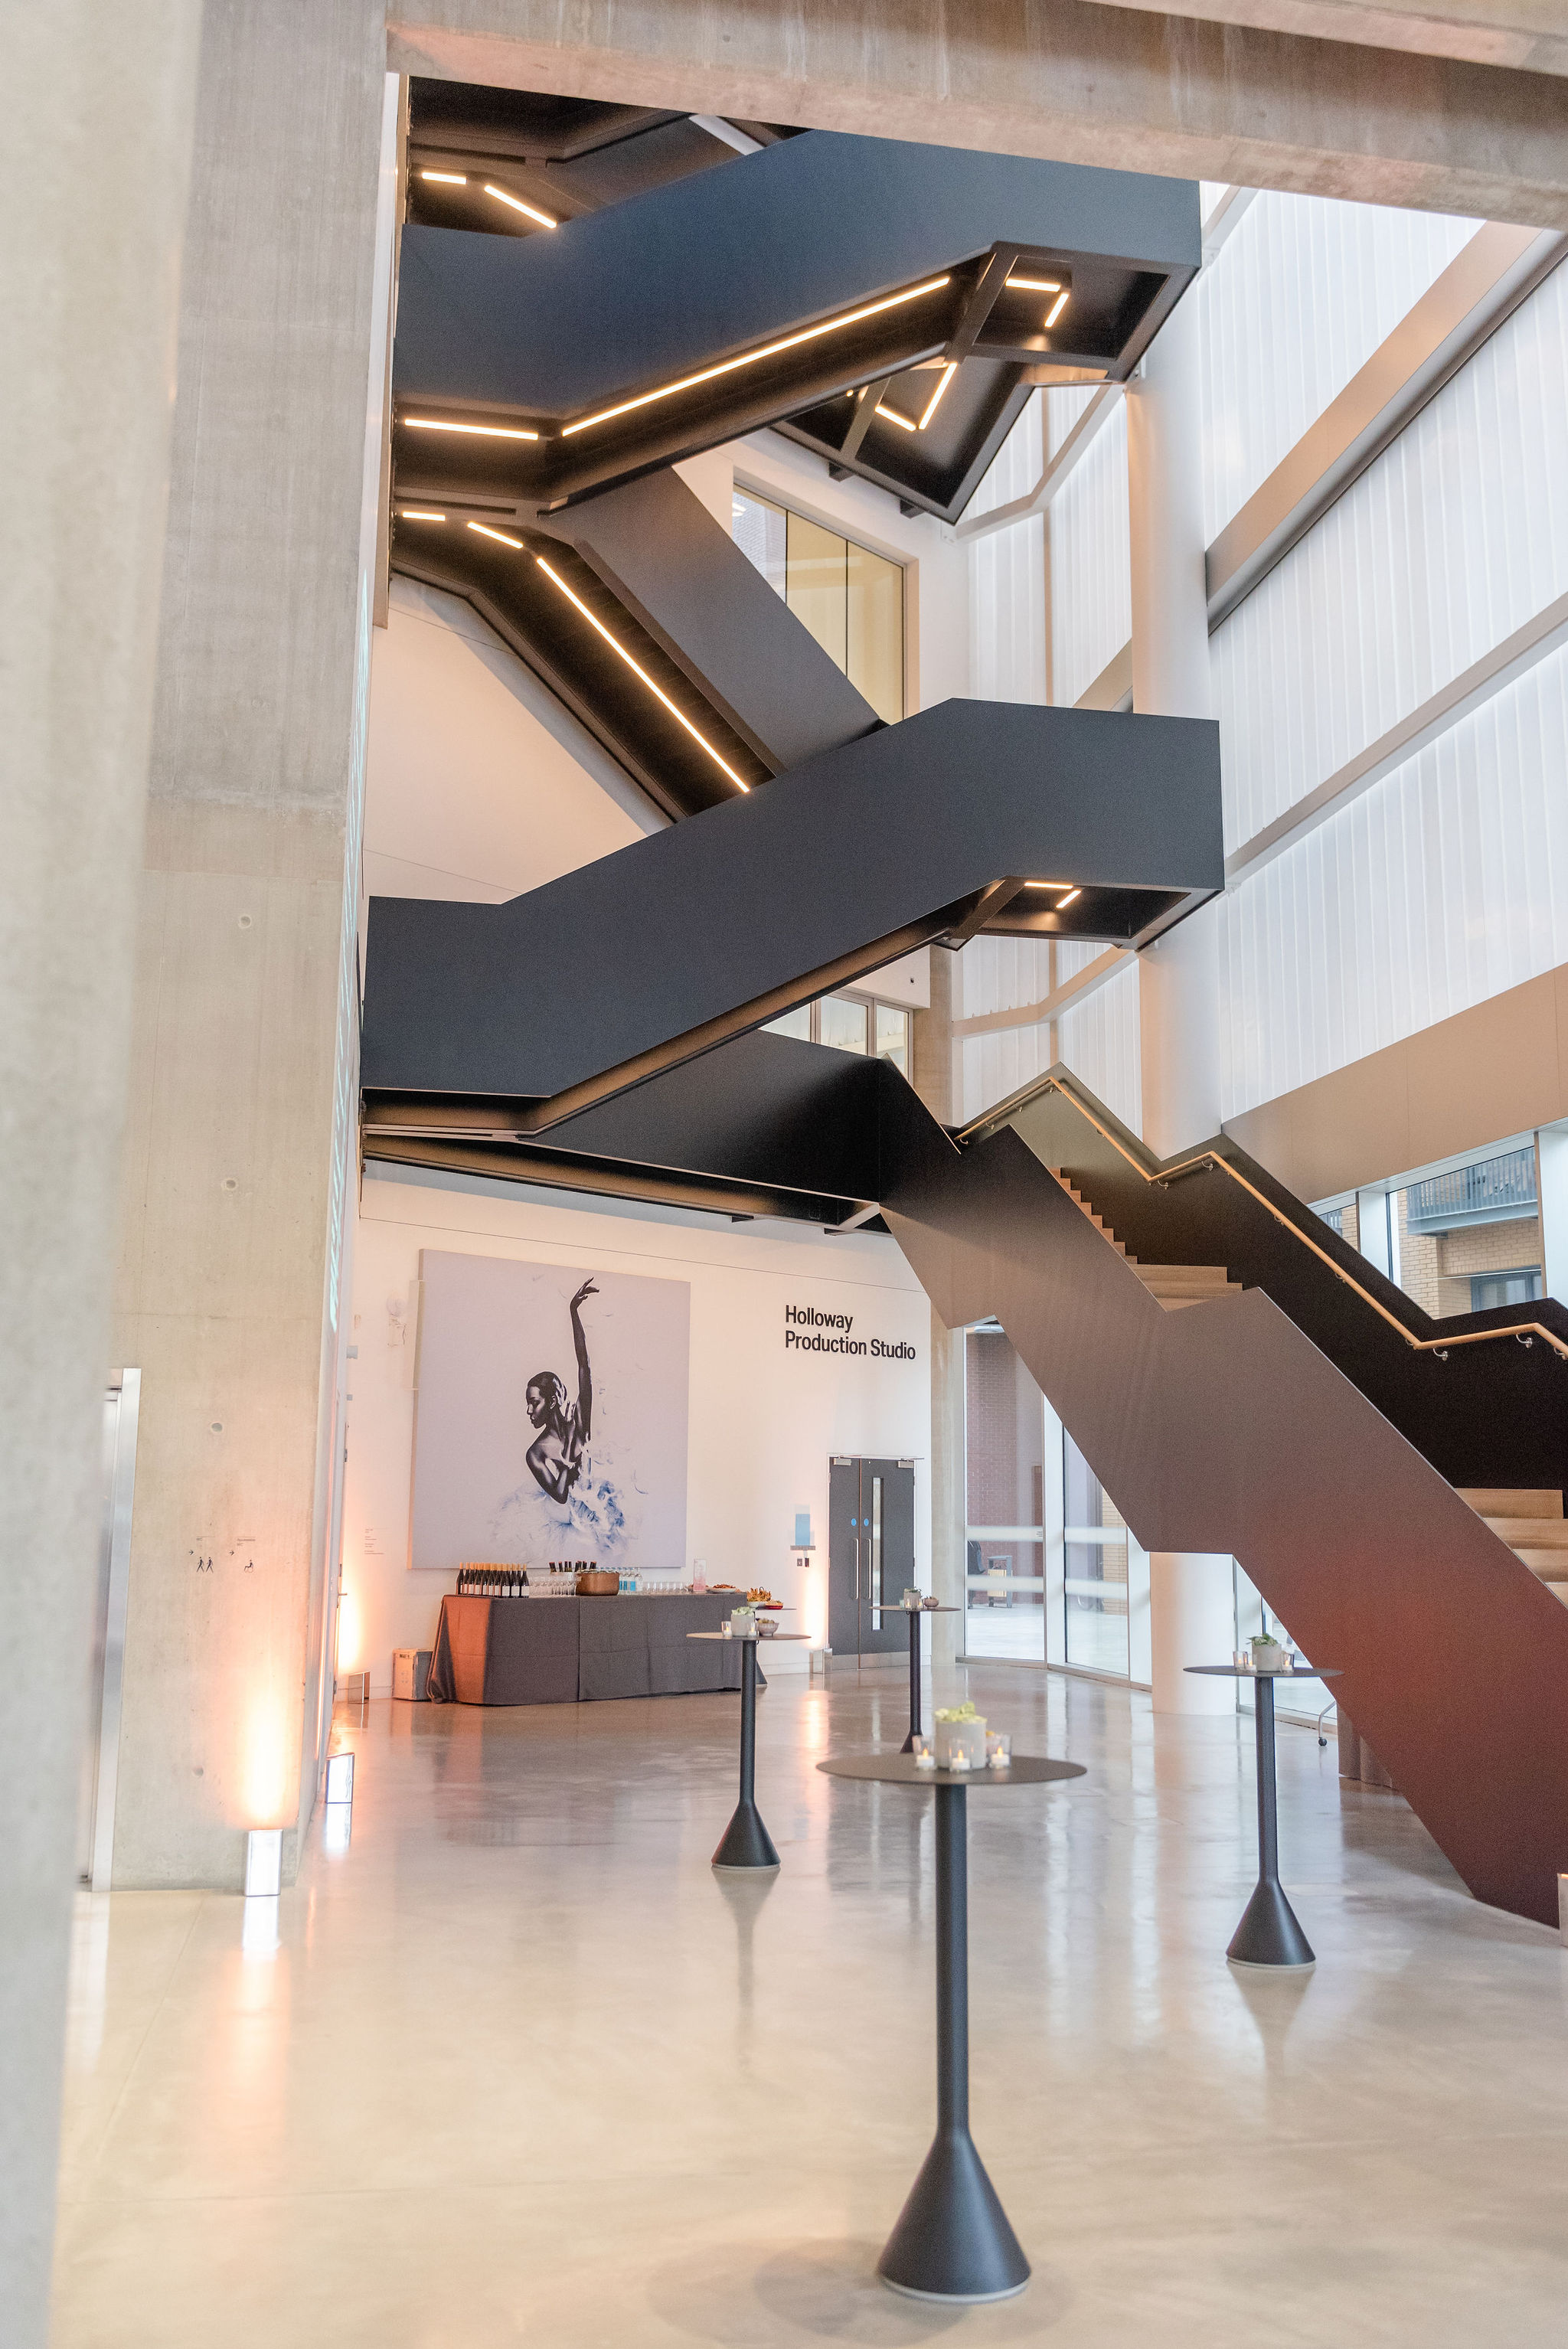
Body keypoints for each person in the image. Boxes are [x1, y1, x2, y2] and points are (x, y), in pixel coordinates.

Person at [524, 1279, 596, 1504]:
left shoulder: (579, 1419)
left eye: (534, 1402)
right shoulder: (535, 1453)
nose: (528, 1410)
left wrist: (573, 1312)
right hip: (573, 1523)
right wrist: (569, 1449)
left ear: (552, 1401)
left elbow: (584, 1364)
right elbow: (560, 1496)